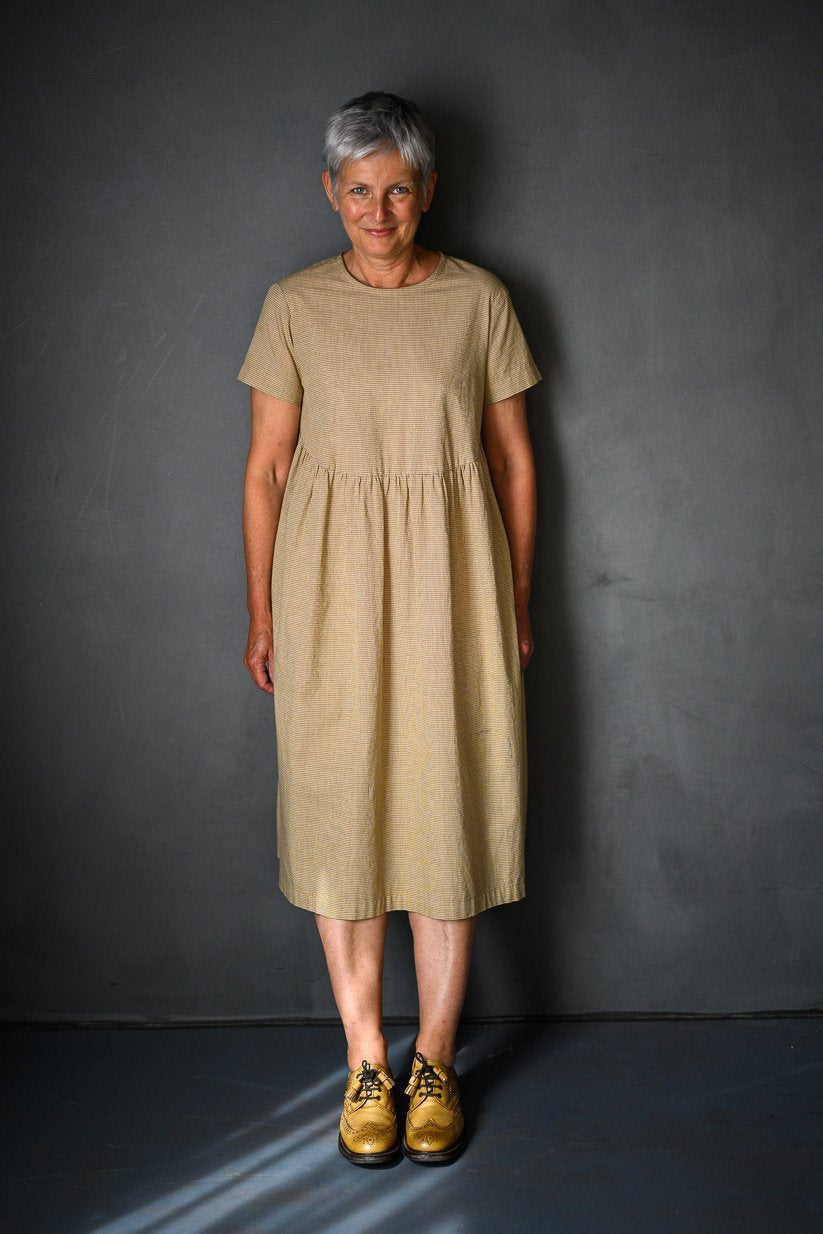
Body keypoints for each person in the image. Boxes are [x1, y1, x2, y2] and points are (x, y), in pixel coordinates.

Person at [238, 91, 541, 1168]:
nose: (378, 209)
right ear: (331, 192)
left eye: (397, 189)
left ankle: (436, 1062)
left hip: (453, 588)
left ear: (427, 192)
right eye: (358, 189)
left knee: (443, 814)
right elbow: (267, 468)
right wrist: (263, 610)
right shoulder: (292, 304)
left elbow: (513, 463)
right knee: (342, 818)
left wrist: (514, 602)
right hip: (329, 590)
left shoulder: (478, 300)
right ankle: (367, 1061)